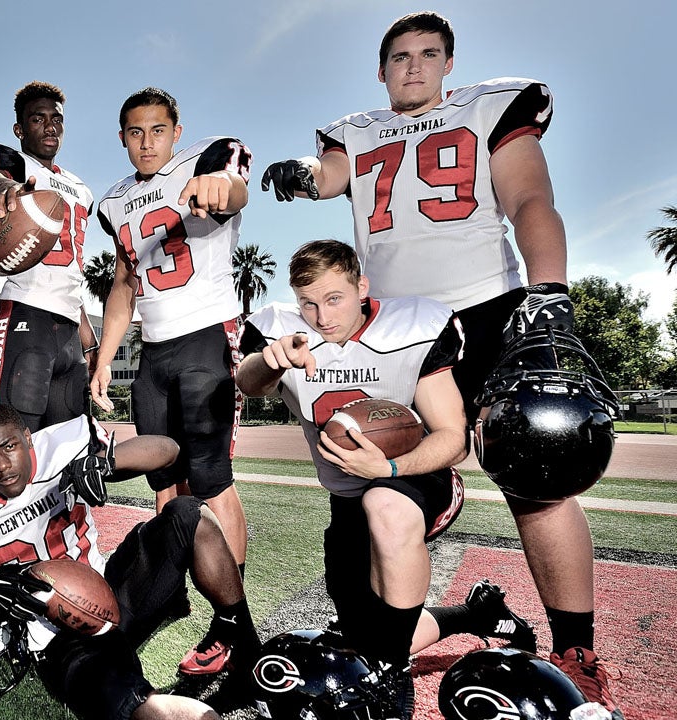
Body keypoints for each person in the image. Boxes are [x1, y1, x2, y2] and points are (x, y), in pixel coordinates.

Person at [258, 11, 622, 717]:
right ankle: (391, 626)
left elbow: (528, 198)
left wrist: (548, 293)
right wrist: (300, 174)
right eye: (399, 56)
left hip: (485, 307)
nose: (413, 67)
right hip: (398, 331)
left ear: (449, 63)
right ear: (381, 68)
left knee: (536, 479)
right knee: (369, 479)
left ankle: (574, 644)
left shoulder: (487, 109)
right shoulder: (358, 130)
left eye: (428, 54)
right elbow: (330, 172)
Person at [236, 240, 536, 718]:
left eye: (334, 298)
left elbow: (453, 438)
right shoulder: (284, 331)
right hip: (346, 501)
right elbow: (248, 381)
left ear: (362, 286)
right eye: (308, 302)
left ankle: (392, 684)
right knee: (370, 634)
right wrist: (272, 359)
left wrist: (389, 469)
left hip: (420, 481)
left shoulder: (412, 326)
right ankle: (477, 614)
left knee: (386, 508)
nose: (322, 315)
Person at [0, 403, 261, 720]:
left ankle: (249, 653)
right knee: (137, 708)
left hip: (110, 590)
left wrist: (106, 462)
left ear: (28, 439)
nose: (1, 466)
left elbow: (168, 451)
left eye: (9, 447)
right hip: (56, 635)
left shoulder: (63, 447)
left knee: (187, 513)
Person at [90, 87, 252, 584]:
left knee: (210, 475)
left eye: (158, 130)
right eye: (136, 133)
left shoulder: (202, 162)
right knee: (163, 478)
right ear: (121, 138)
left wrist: (221, 186)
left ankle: (232, 607)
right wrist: (103, 358)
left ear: (176, 133)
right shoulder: (114, 202)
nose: (147, 142)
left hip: (206, 334)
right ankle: (170, 584)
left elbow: (233, 183)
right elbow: (123, 283)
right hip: (154, 351)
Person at [0, 81, 98, 432]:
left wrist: (88, 339)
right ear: (19, 129)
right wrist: (3, 189)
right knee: (12, 438)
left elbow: (72, 267)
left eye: (56, 119)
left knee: (68, 445)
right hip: (27, 315)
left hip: (69, 329)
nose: (50, 126)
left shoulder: (82, 189)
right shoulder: (15, 164)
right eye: (38, 119)